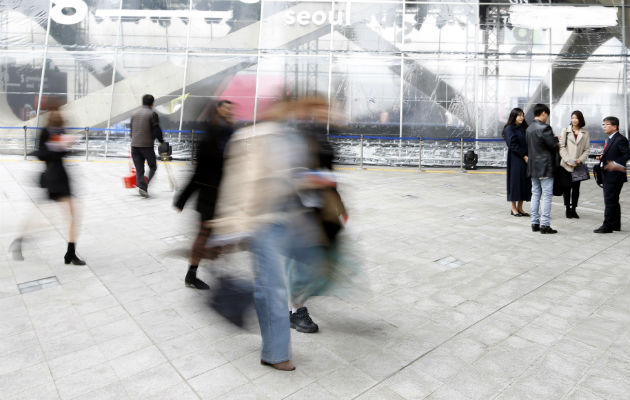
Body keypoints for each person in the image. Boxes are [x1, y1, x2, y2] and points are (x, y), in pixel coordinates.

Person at [9, 107, 85, 265]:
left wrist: (66, 145)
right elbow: (41, 153)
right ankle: (69, 253)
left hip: (59, 176)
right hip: (54, 178)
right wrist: (56, 146)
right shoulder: (46, 132)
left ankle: (69, 253)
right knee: (57, 216)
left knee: (66, 215)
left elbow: (63, 153)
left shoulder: (61, 130)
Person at [175, 100, 234, 289]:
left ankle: (210, 270)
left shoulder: (228, 133)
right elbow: (198, 171)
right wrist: (183, 198)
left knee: (219, 237)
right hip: (209, 196)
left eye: (230, 109)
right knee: (204, 235)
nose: (229, 111)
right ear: (217, 110)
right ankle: (191, 274)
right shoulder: (210, 137)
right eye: (225, 108)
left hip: (224, 196)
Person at [526, 104, 559, 234]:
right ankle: (545, 225)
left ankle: (534, 223)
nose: (547, 118)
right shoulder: (545, 128)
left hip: (533, 166)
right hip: (545, 166)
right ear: (544, 113)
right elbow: (552, 145)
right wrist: (557, 141)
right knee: (546, 195)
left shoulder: (529, 128)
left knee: (535, 194)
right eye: (547, 115)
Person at [594, 116, 629, 233]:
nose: (604, 126)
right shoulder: (610, 139)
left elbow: (626, 155)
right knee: (613, 200)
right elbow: (614, 153)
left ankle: (607, 226)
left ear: (615, 126)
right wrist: (602, 157)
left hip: (614, 175)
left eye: (606, 124)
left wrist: (615, 164)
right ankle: (615, 224)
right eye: (603, 124)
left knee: (609, 201)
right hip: (609, 174)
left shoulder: (620, 139)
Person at [558, 110, 590, 219]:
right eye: (572, 118)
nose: (574, 120)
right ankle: (567, 209)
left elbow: (587, 150)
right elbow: (561, 147)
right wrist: (567, 160)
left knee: (576, 189)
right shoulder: (565, 131)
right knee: (566, 188)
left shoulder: (585, 133)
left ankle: (574, 209)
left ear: (580, 119)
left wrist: (580, 160)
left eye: (576, 118)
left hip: (578, 165)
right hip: (566, 165)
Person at [130, 94, 164, 198]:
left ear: (142, 102)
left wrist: (134, 139)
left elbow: (131, 130)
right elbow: (156, 130)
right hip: (147, 146)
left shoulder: (134, 113)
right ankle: (144, 185)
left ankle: (142, 186)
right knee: (153, 166)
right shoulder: (153, 113)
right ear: (153, 103)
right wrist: (161, 141)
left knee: (139, 169)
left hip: (134, 145)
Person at [503, 107, 531, 216]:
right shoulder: (509, 128)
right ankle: (513, 208)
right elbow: (512, 144)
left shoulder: (524, 128)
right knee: (515, 183)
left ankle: (520, 207)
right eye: (519, 115)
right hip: (515, 159)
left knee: (524, 182)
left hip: (526, 158)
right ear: (514, 116)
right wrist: (523, 155)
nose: (522, 117)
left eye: (523, 115)